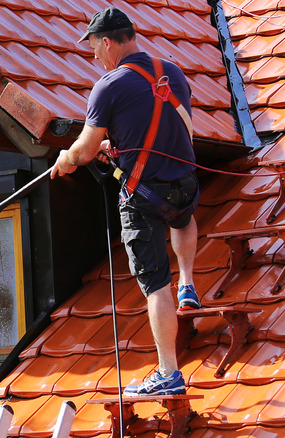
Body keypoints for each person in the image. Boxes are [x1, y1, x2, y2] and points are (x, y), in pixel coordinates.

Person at [51, 7, 201, 397]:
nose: (94, 56)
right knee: (183, 221)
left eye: (94, 48)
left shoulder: (108, 85)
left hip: (143, 194)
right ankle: (189, 283)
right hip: (184, 185)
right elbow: (162, 120)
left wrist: (66, 159)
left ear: (106, 42)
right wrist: (117, 145)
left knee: (155, 285)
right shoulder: (174, 71)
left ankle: (168, 373)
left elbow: (83, 151)